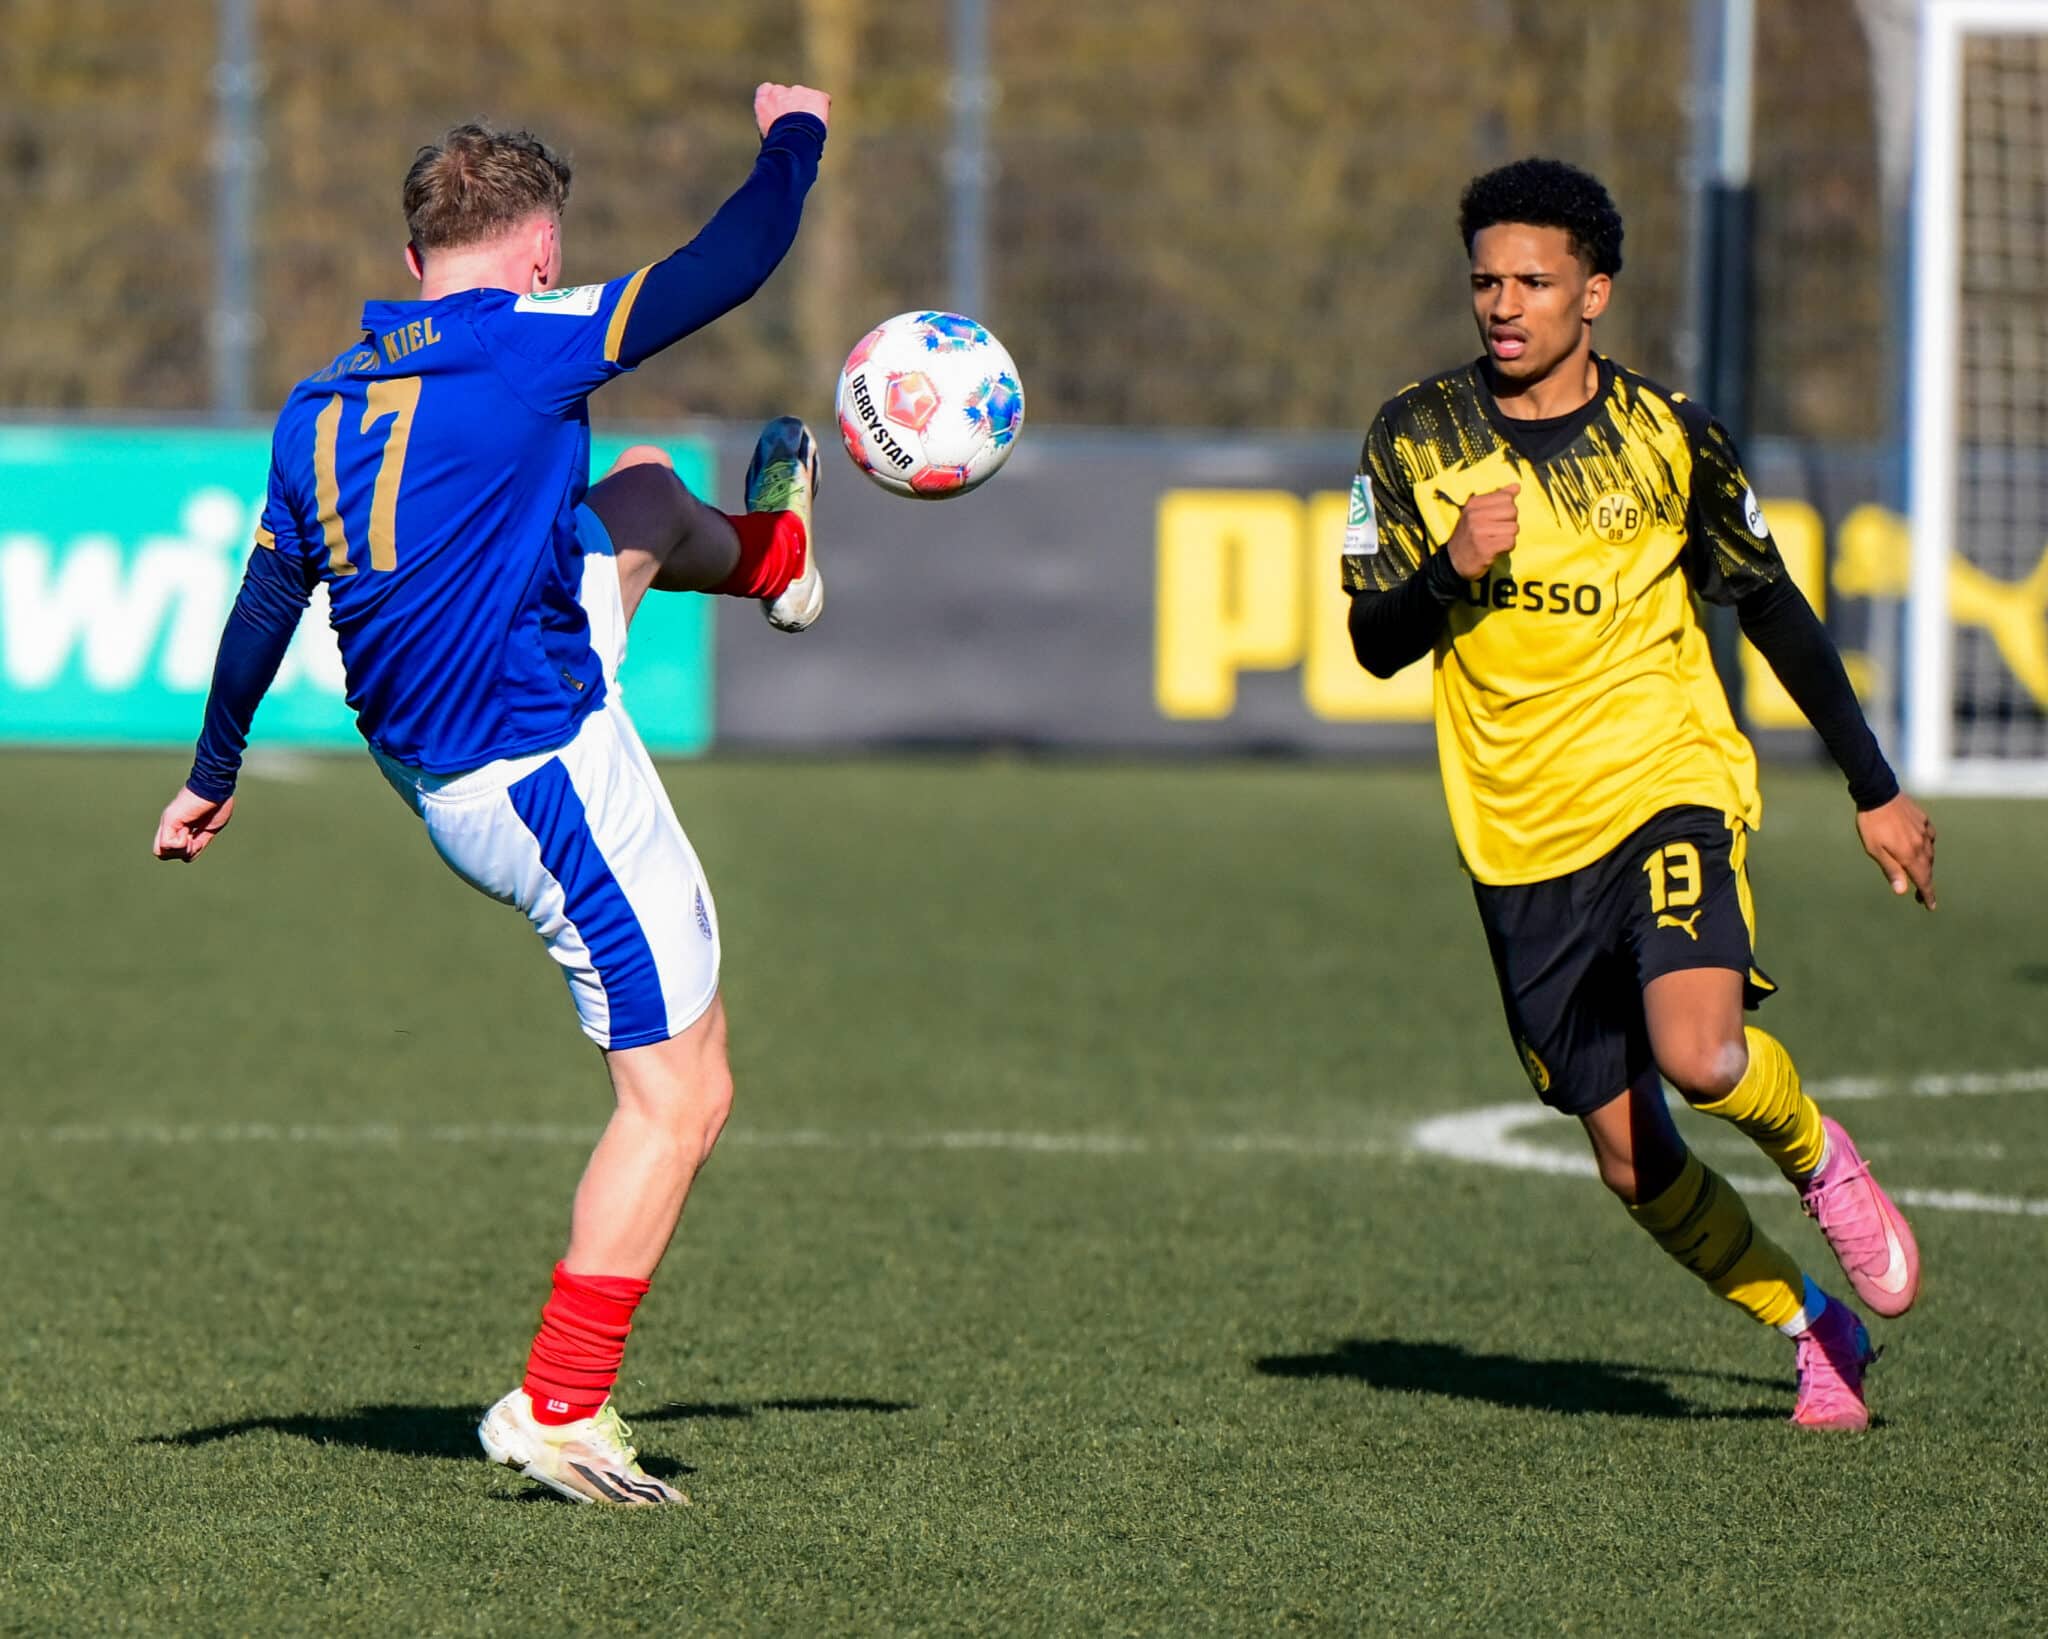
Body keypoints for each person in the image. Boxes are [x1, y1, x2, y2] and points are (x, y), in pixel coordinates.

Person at [151, 85, 832, 1503]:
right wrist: (794, 134)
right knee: (683, 1095)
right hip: (538, 777)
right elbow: (731, 263)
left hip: (436, 745)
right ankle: (561, 1405)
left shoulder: (317, 406)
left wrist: (212, 772)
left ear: (412, 260)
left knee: (640, 495)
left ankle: (774, 561)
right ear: (541, 254)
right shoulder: (533, 340)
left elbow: (266, 601)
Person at [1344, 158, 1936, 1430]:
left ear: (1593, 292)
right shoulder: (1410, 436)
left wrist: (1872, 786)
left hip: (1664, 782)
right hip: (1516, 840)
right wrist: (1447, 569)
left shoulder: (1667, 437)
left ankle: (1818, 1159)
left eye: (1532, 281)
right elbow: (1371, 641)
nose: (1503, 304)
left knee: (1699, 1053)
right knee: (1628, 1159)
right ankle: (1810, 1327)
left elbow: (1769, 606)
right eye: (1485, 282)